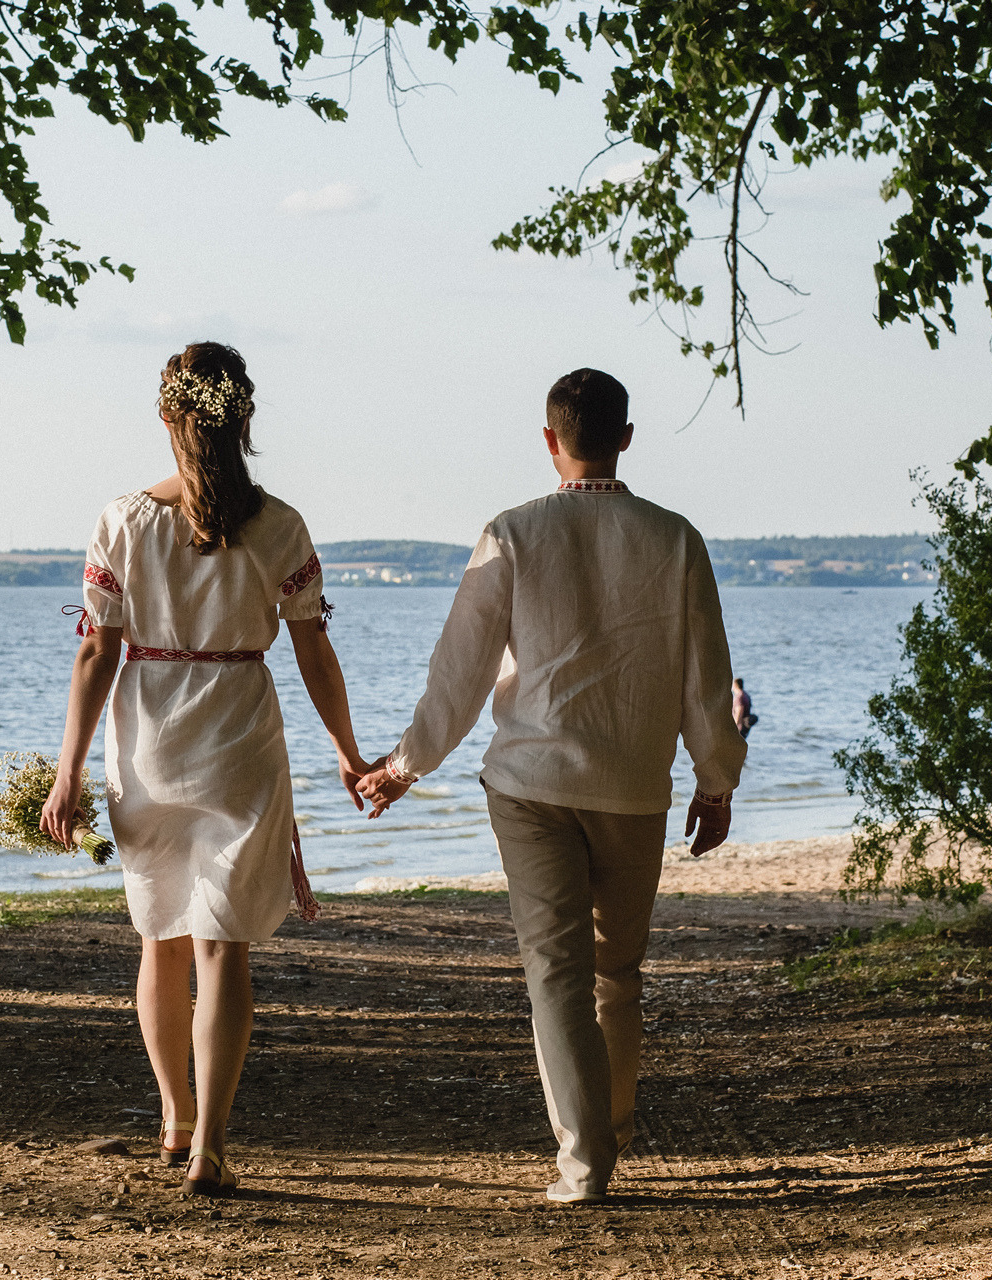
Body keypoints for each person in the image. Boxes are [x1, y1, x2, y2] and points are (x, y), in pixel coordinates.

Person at [357, 368, 745, 1204]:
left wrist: (404, 765)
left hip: (531, 783)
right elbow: (704, 678)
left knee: (557, 972)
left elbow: (459, 670)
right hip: (634, 784)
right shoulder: (675, 538)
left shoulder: (514, 532)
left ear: (548, 440)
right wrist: (715, 784)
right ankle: (611, 1131)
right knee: (617, 974)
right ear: (627, 437)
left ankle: (585, 1161)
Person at [40, 342, 367, 1199]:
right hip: (239, 738)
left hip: (148, 740)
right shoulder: (281, 523)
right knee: (223, 947)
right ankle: (211, 1144)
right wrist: (347, 749)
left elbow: (94, 655)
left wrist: (67, 770)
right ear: (245, 416)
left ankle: (173, 1116)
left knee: (162, 939)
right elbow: (314, 651)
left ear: (165, 414)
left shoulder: (122, 519)